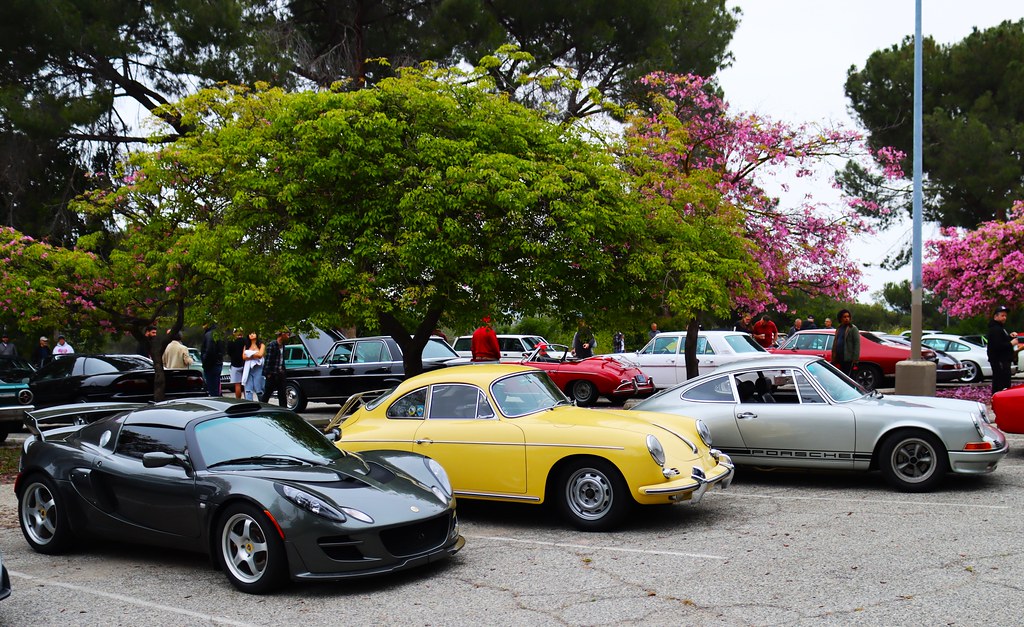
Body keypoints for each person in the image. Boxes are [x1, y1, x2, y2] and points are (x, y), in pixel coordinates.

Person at [987, 305, 1020, 394]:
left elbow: (1001, 341)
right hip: (1000, 361)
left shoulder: (1000, 328)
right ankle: (1000, 401)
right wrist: (1011, 343)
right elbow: (997, 346)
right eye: (1002, 315)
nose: (1004, 318)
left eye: (1005, 316)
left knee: (1003, 382)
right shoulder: (995, 329)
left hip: (1003, 360)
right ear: (995, 316)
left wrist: (1009, 337)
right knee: (1001, 383)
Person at [261, 330, 290, 406]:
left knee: (282, 394)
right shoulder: (272, 345)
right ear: (282, 334)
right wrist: (268, 374)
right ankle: (262, 408)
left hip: (280, 373)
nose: (288, 336)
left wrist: (283, 371)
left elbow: (281, 360)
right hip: (272, 374)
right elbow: (268, 360)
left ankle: (284, 412)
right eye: (287, 334)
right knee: (267, 393)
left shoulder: (283, 345)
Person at [831, 309, 861, 376]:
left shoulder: (853, 328)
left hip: (848, 359)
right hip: (839, 357)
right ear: (840, 318)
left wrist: (855, 359)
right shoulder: (839, 328)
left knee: (848, 377)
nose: (847, 319)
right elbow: (835, 342)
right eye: (844, 317)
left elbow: (857, 344)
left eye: (848, 317)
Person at [200, 323, 225, 396]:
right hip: (217, 364)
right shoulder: (217, 334)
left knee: (212, 389)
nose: (202, 326)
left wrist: (205, 363)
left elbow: (210, 351)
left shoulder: (209, 334)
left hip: (211, 365)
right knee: (216, 388)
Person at [241, 332, 266, 401]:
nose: (251, 335)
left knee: (259, 388)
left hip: (258, 368)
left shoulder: (261, 345)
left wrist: (249, 354)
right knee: (248, 389)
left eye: (253, 333)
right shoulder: (246, 346)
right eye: (250, 333)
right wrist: (255, 354)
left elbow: (260, 355)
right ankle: (249, 406)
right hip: (248, 369)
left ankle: (262, 404)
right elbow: (244, 356)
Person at [227, 328, 247, 398]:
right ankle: (247, 399)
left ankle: (238, 400)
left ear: (234, 333)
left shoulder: (231, 342)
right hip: (245, 364)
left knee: (237, 384)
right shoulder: (245, 341)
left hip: (235, 365)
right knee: (245, 384)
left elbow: (229, 352)